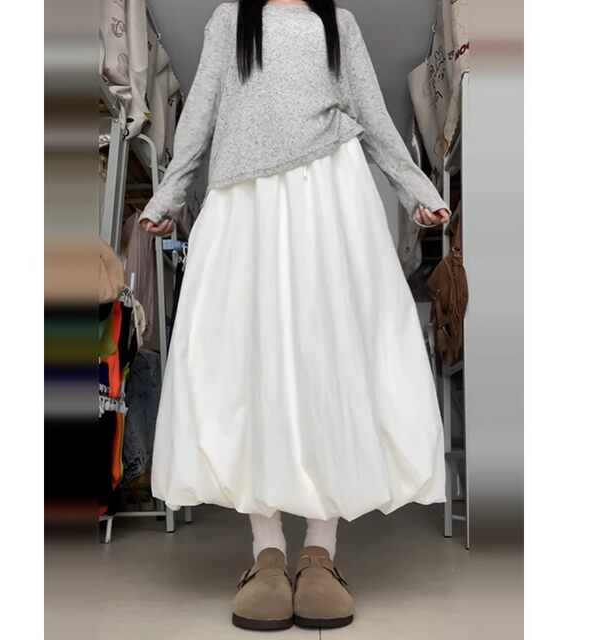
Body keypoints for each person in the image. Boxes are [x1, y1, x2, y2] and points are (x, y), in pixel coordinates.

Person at [139, 0, 451, 631]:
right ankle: (267, 553)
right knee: (248, 367)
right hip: (244, 207)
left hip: (327, 202)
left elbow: (374, 116)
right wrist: (168, 197)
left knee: (327, 363)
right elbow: (199, 116)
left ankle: (320, 553)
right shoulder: (229, 21)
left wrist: (416, 188)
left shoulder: (339, 23)